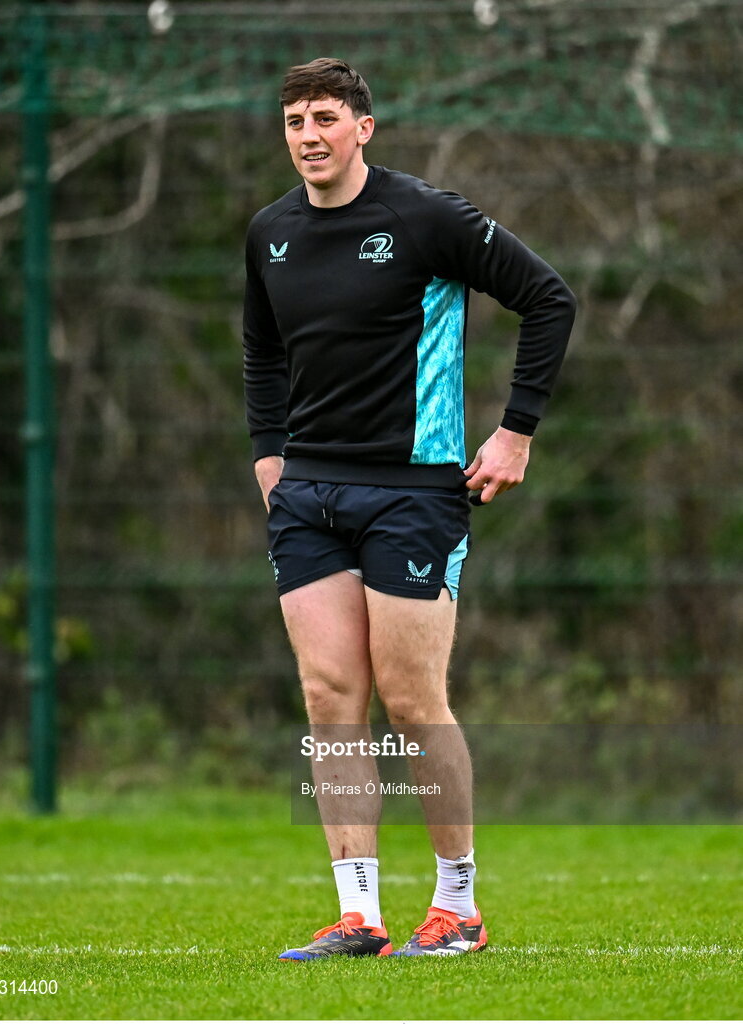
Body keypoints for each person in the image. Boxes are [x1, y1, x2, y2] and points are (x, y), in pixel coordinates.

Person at [243, 58, 576, 960]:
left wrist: (514, 434)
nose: (306, 135)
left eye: (322, 117)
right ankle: (359, 917)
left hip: (414, 493)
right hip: (307, 495)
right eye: (293, 121)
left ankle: (457, 907)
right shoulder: (270, 232)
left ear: (363, 126)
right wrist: (271, 460)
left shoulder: (425, 217)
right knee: (328, 698)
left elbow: (548, 297)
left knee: (410, 699)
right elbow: (262, 355)